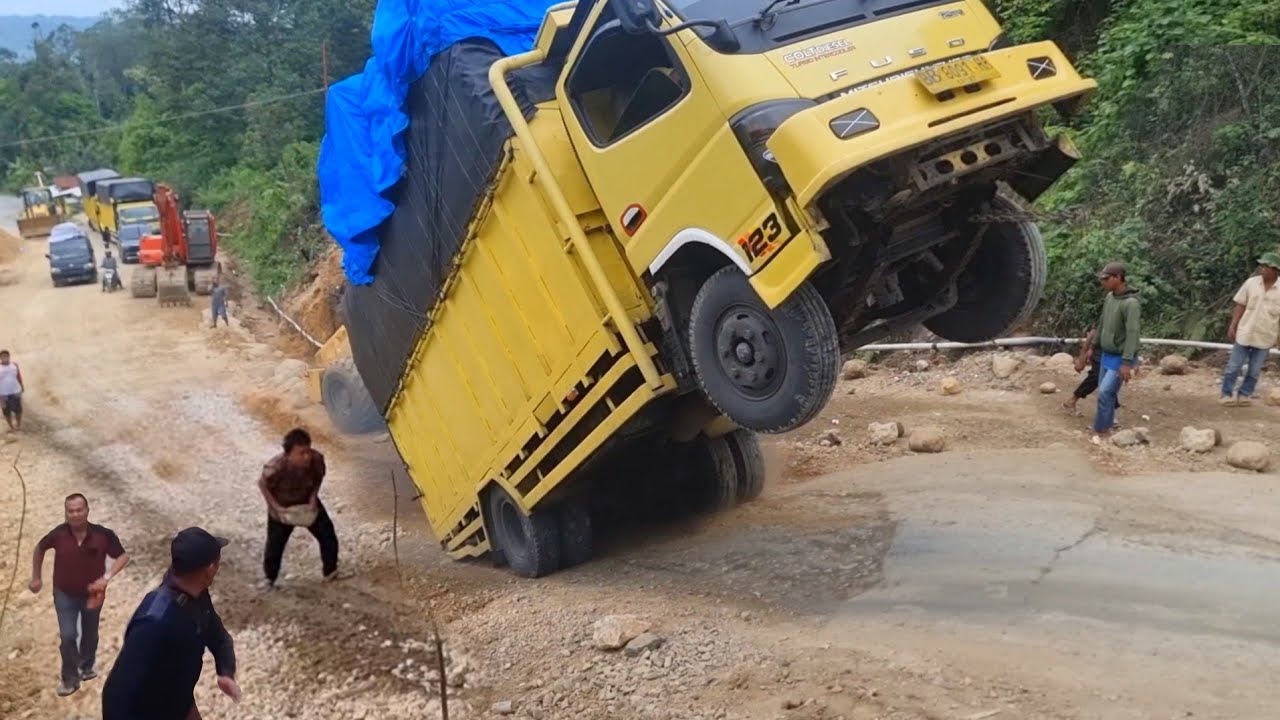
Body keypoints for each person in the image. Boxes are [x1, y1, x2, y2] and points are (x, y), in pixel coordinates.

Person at [102, 527, 241, 720]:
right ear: (209, 570)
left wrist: (225, 670)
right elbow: (119, 693)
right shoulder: (154, 623)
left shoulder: (197, 593)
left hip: (178, 700)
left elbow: (217, 634)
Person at [28, 493, 130, 697]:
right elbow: (39, 549)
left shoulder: (103, 535)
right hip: (64, 593)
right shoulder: (58, 534)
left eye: (79, 510)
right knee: (68, 636)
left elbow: (123, 556)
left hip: (93, 594)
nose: (75, 514)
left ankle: (86, 666)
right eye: (70, 511)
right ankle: (70, 679)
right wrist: (36, 577)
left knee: (90, 632)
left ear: (87, 510)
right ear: (66, 513)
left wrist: (106, 577)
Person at [259, 428, 341, 587]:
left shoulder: (317, 460)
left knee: (328, 536)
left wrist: (312, 499)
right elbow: (263, 484)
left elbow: (318, 478)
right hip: (283, 507)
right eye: (301, 453)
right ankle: (269, 578)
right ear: (288, 454)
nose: (307, 456)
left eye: (308, 451)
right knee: (274, 546)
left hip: (306, 502)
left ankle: (330, 572)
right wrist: (275, 508)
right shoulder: (275, 467)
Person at [1220, 251, 1280, 406]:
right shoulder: (1251, 283)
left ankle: (1245, 394)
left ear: (1276, 269)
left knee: (1254, 370)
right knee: (1233, 366)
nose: (1263, 269)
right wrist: (1233, 325)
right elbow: (1240, 305)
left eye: (1267, 266)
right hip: (1245, 332)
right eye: (1262, 266)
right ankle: (1226, 394)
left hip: (1266, 335)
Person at [1090, 262, 1141, 443]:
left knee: (1104, 392)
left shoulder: (1131, 304)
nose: (1103, 282)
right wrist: (1093, 346)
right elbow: (1102, 323)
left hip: (1120, 357)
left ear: (1118, 278)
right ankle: (1107, 425)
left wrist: (1127, 363)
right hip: (1106, 353)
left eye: (1106, 278)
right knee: (1107, 394)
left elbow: (1132, 334)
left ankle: (1101, 429)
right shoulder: (1110, 298)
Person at [0, 349, 22, 432]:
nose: (4, 357)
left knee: (18, 410)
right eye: (2, 356)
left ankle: (18, 425)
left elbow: (18, 376)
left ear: (9, 356)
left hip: (15, 391)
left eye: (6, 356)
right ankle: (11, 427)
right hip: (2, 394)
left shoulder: (14, 365)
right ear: (0, 358)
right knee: (6, 411)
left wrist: (22, 386)